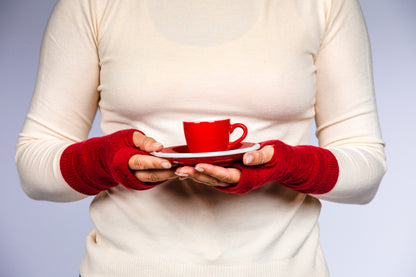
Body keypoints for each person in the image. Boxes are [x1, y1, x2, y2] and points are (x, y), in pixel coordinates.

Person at [15, 0, 387, 276]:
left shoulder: (324, 5)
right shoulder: (92, 4)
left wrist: (286, 166)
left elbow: (365, 173)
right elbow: (34, 170)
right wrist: (105, 162)